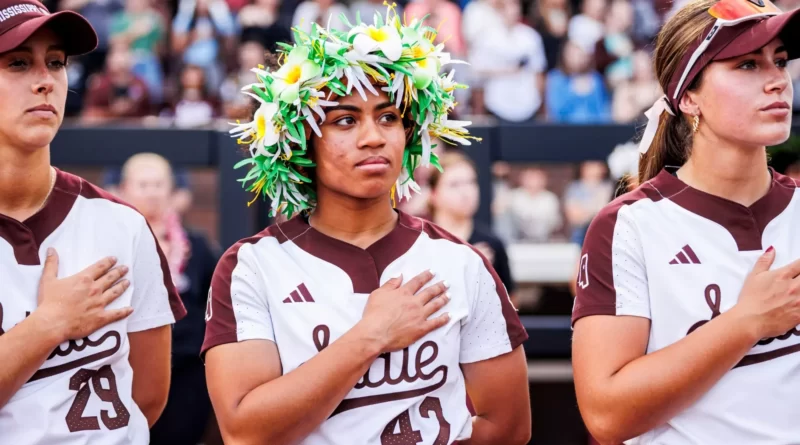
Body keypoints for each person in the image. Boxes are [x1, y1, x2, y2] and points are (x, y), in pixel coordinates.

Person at [202, 7, 531, 445]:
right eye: (345, 120)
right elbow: (245, 430)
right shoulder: (251, 266)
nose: (374, 136)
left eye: (389, 116)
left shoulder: (461, 261)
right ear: (300, 141)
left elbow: (508, 426)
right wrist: (372, 335)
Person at [571, 0, 800, 443]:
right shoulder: (628, 226)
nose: (777, 82)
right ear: (688, 95)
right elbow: (606, 415)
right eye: (748, 65)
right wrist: (746, 322)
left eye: (782, 61)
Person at [0, 1, 186, 444]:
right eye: (18, 63)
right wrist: (50, 323)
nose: (45, 81)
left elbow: (147, 397)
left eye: (56, 63)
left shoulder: (121, 223)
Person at [117, 153, 219, 445]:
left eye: (159, 184)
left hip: (187, 370)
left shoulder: (196, 245)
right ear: (124, 189)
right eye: (143, 184)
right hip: (126, 365)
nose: (152, 192)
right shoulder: (113, 243)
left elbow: (214, 300)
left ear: (172, 191)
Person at [427, 150, 517, 305]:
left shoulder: (492, 243)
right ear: (434, 194)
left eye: (471, 182)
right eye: (454, 185)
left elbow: (510, 304)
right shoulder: (420, 241)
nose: (466, 192)